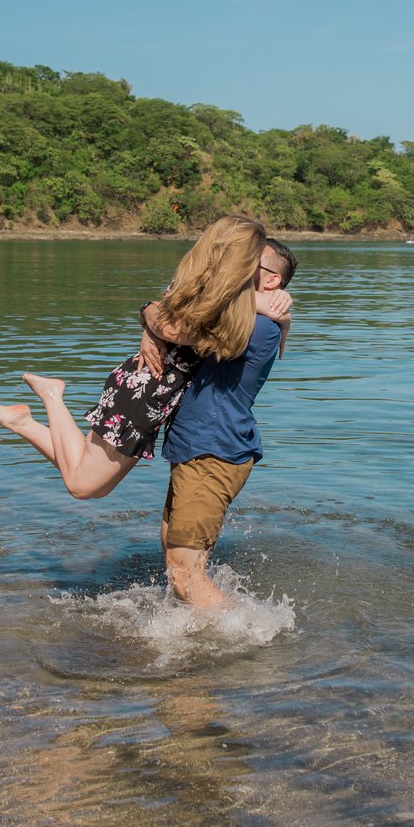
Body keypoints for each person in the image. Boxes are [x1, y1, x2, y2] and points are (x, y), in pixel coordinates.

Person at [0, 216, 292, 500]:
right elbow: (177, 327)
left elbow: (179, 313)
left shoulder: (202, 288)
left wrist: (277, 313)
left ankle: (24, 419)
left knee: (88, 479)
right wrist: (264, 308)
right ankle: (50, 397)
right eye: (252, 258)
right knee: (82, 485)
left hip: (151, 389)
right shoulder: (211, 296)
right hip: (147, 390)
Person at [152, 238, 296, 608]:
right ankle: (198, 632)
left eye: (249, 261)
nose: (235, 264)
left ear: (272, 280)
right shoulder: (252, 313)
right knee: (175, 558)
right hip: (198, 447)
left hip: (213, 452)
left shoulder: (259, 326)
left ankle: (249, 636)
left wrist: (149, 319)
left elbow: (176, 320)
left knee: (184, 574)